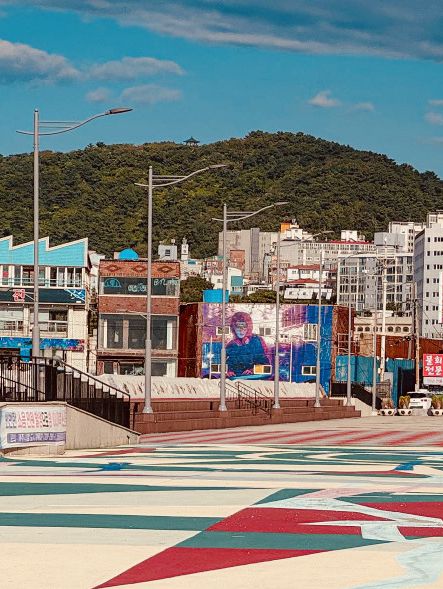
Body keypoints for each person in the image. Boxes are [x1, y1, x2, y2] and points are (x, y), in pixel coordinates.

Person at [226, 311, 269, 377]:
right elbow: (225, 364)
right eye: (238, 327)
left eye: (244, 326)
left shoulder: (257, 341)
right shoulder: (230, 345)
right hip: (234, 381)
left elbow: (267, 367)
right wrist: (228, 371)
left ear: (248, 327)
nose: (241, 330)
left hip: (255, 381)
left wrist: (253, 371)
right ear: (233, 328)